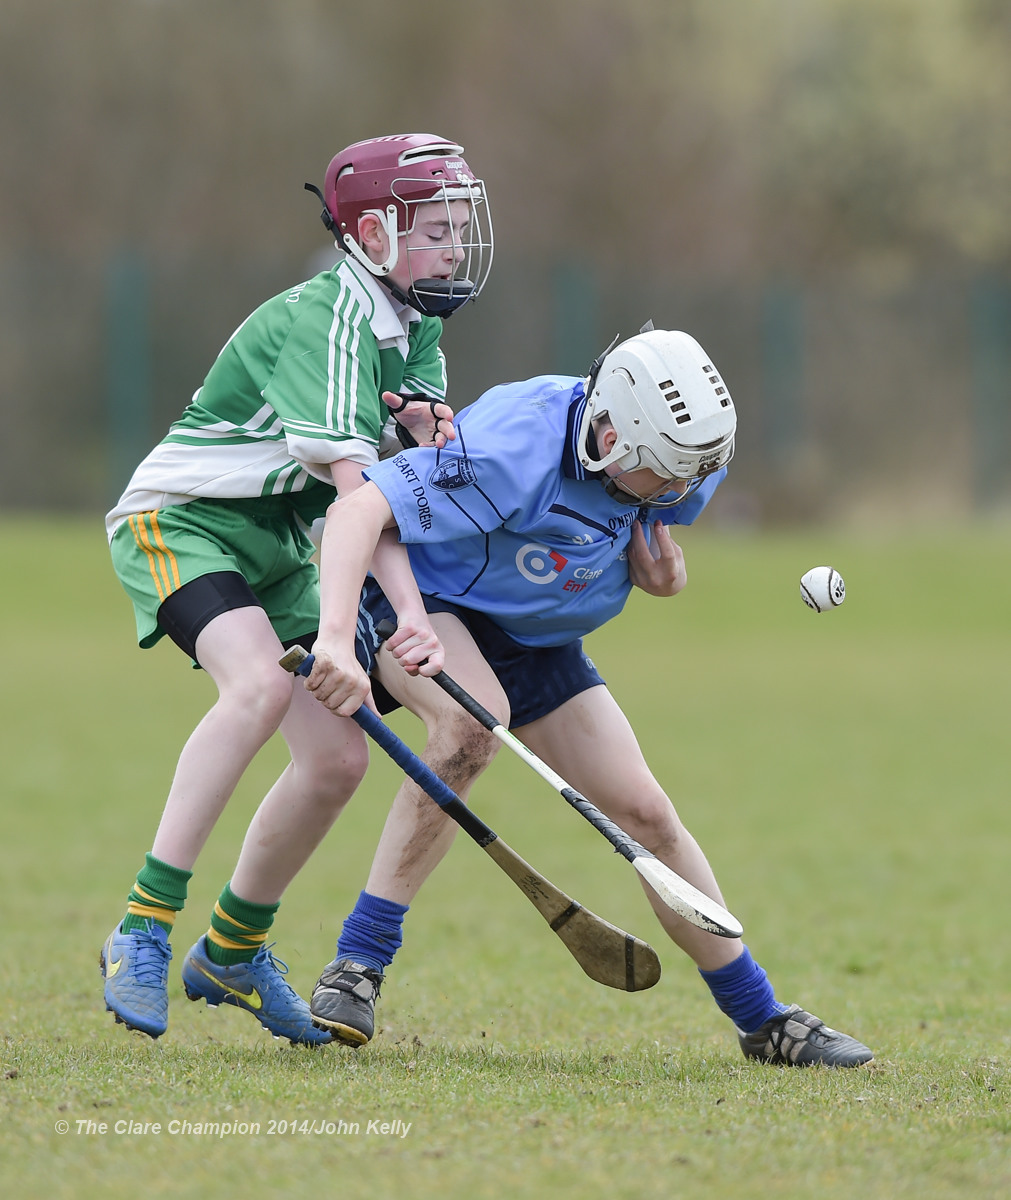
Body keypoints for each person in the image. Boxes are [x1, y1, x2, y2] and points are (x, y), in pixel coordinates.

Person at [297, 328, 874, 1067]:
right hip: (422, 603)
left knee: (646, 814)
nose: (677, 491)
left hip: (536, 637)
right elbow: (357, 512)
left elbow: (651, 533)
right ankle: (358, 962)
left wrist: (663, 573)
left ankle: (762, 1020)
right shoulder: (514, 443)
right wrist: (338, 640)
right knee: (472, 728)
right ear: (608, 435)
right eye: (661, 477)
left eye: (685, 479)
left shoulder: (677, 454)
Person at [100, 133, 494, 1044]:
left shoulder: (415, 329)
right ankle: (143, 925)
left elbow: (391, 499)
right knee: (260, 684)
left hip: (285, 539)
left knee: (336, 762)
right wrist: (380, 622)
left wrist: (409, 624)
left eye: (457, 229)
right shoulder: (331, 320)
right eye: (434, 230)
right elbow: (361, 497)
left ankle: (232, 949)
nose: (451, 248)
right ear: (372, 234)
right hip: (184, 520)